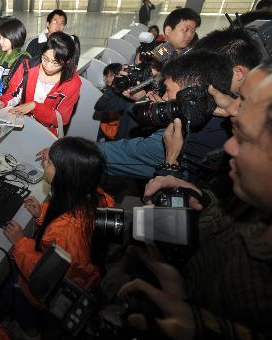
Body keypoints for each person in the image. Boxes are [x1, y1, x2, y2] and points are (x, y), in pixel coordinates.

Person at [119, 61, 272, 339]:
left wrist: (203, 329)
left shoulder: (258, 282)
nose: (228, 146)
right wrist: (201, 197)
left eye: (246, 139)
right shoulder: (251, 202)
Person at [98, 26, 262, 184]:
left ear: (238, 72)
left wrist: (170, 162)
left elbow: (118, 154)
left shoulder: (195, 127)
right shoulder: (252, 105)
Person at [3, 137, 114, 333]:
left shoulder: (64, 232)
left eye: (49, 162)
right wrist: (42, 214)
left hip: (44, 295)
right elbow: (68, 215)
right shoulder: (94, 196)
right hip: (88, 274)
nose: (44, 163)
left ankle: (29, 329)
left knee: (7, 285)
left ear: (64, 175)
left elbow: (44, 274)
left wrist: (20, 242)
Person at [0, 31, 81, 137]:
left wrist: (34, 106)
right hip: (22, 126)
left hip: (48, 133)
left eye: (56, 63)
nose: (48, 66)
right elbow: (14, 93)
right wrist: (3, 102)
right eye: (45, 58)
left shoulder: (72, 82)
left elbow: (61, 119)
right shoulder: (27, 67)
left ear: (67, 61)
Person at [0, 18, 30, 91]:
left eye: (4, 38)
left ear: (14, 37)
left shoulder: (23, 59)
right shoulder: (3, 56)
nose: (0, 41)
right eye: (0, 37)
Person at [94, 63, 124, 141]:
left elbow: (98, 106)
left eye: (111, 76)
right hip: (109, 127)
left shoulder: (117, 94)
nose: (107, 79)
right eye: (106, 76)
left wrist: (110, 90)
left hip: (112, 130)